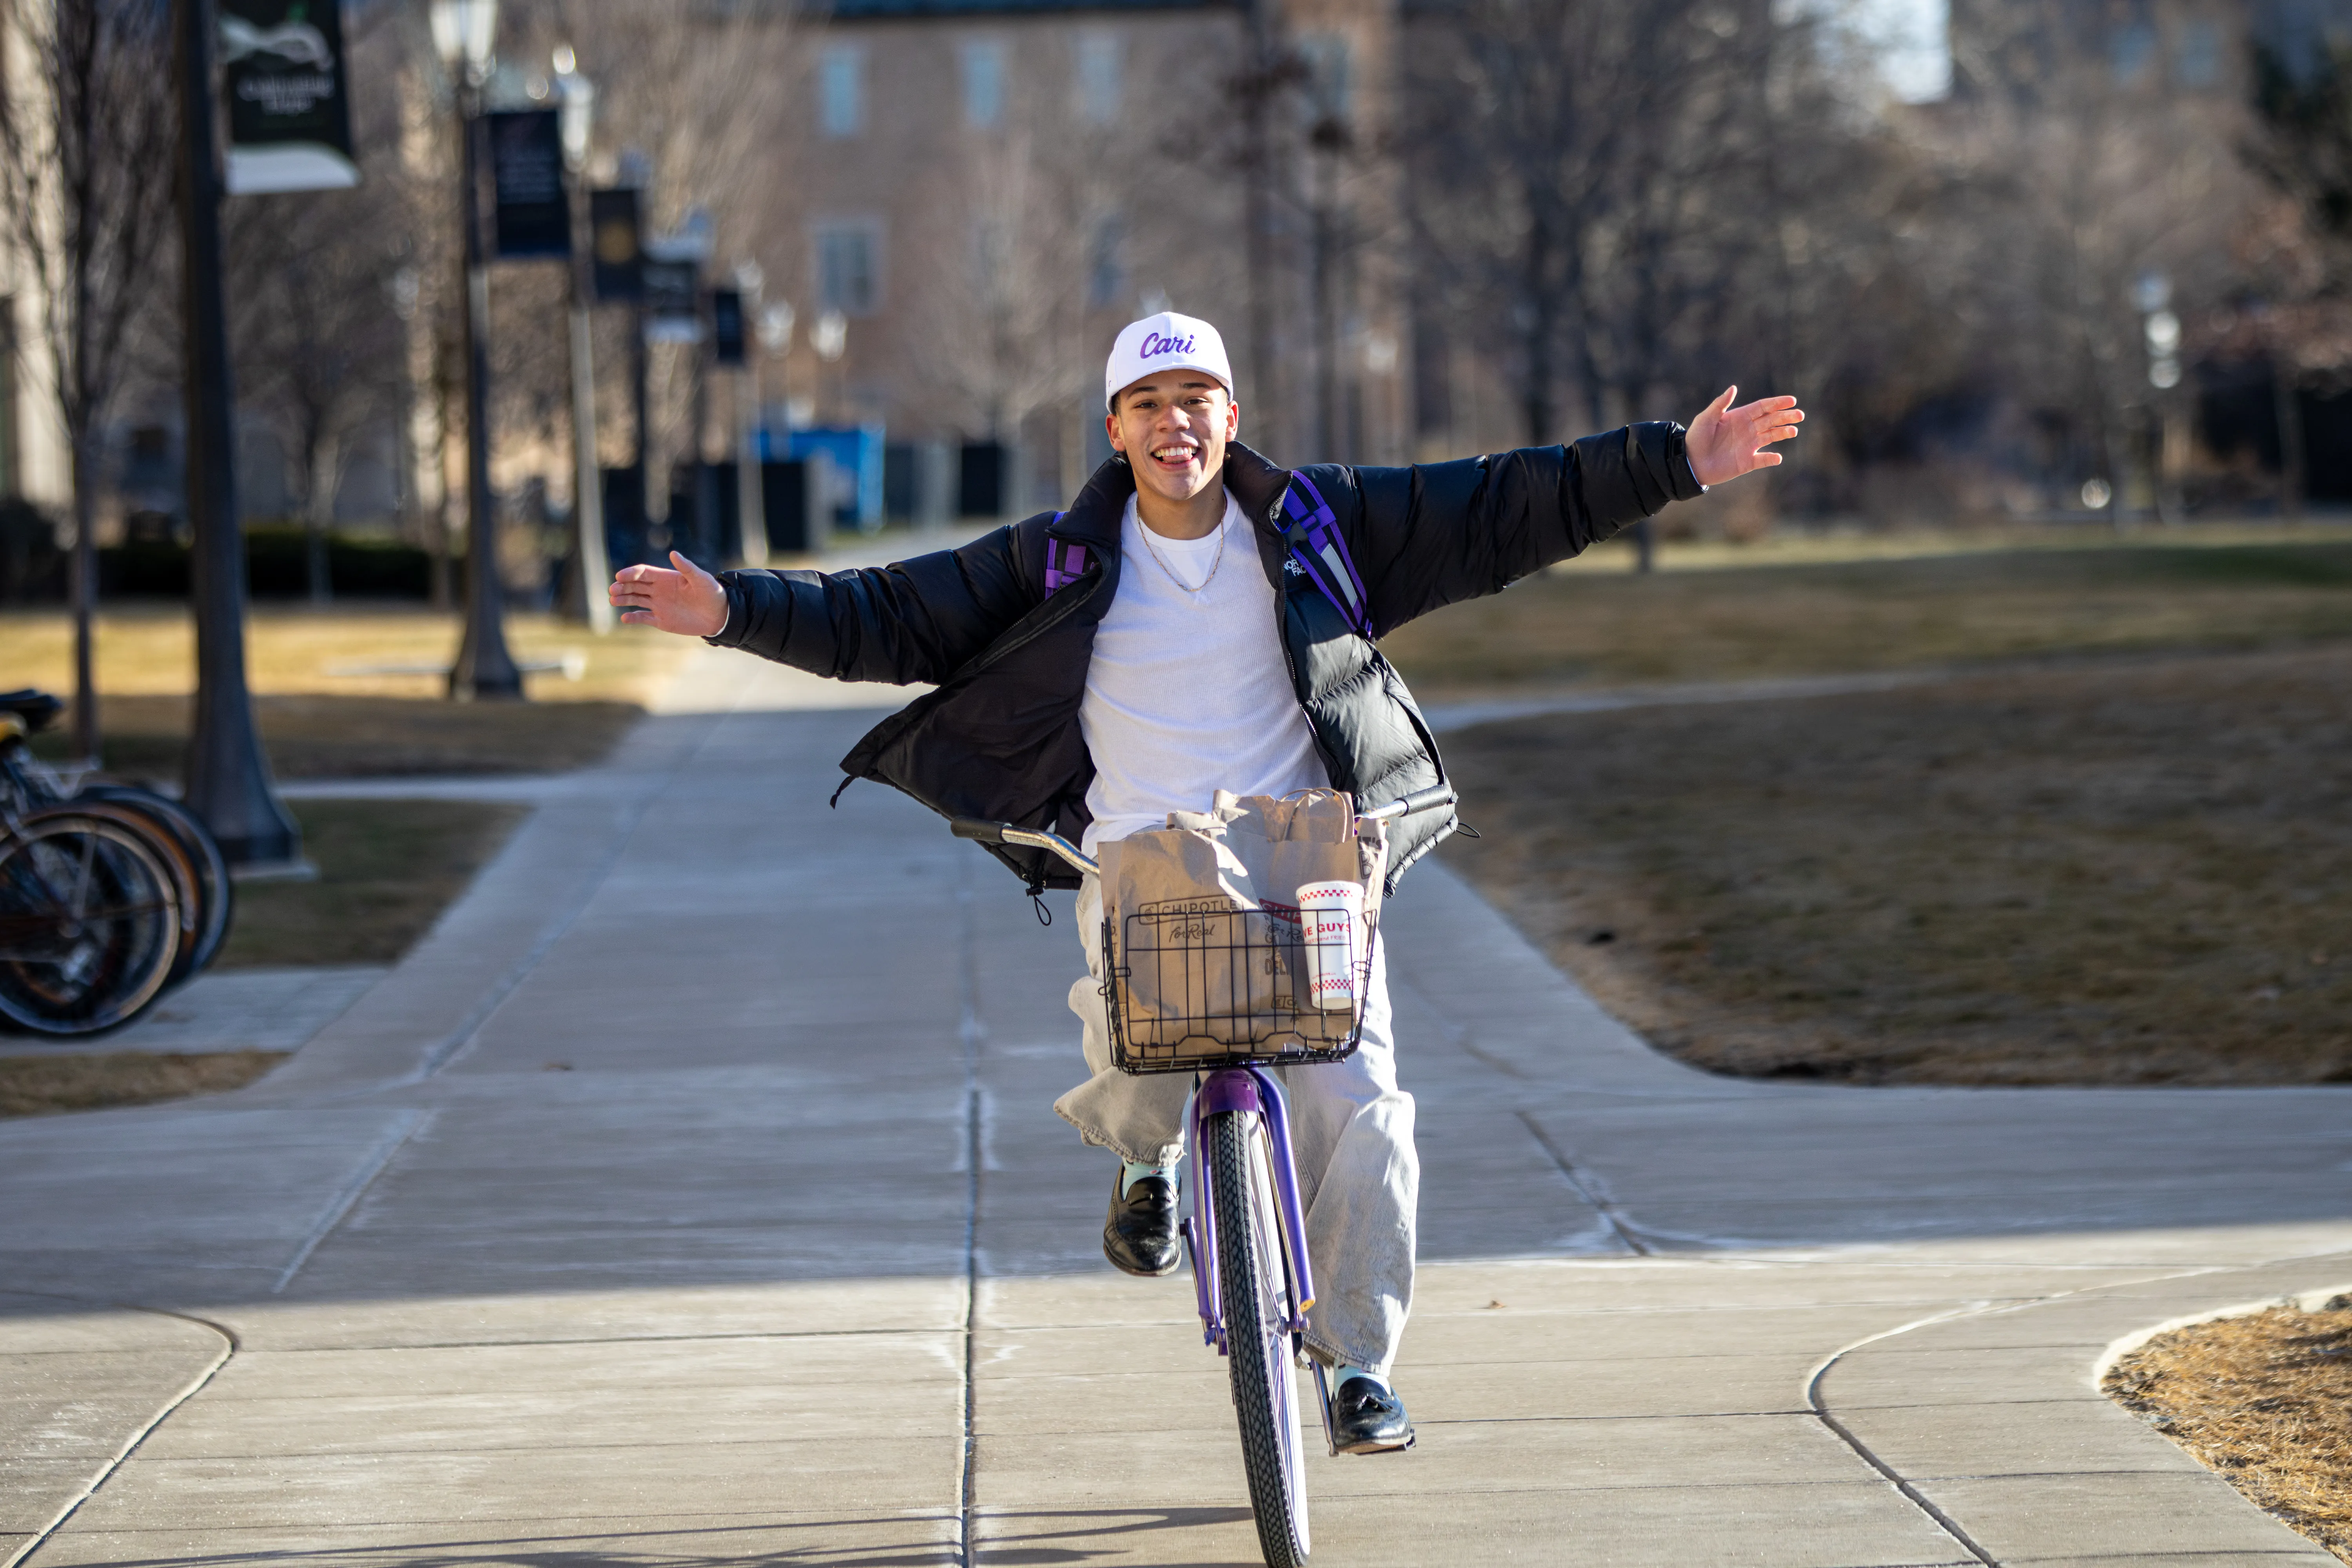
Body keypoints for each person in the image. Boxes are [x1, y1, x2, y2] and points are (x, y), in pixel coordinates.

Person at [611, 311, 1802, 1454]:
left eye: (1194, 401)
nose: (1173, 424)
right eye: (1146, 405)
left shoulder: (1319, 527)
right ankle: (1150, 1162)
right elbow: (892, 614)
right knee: (1129, 1029)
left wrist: (1673, 466)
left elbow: (1499, 504)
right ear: (1115, 428)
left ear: (1232, 415)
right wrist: (734, 613)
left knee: (1361, 1108)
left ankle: (1360, 1366)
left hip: (1309, 864)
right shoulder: (1059, 561)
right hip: (1145, 856)